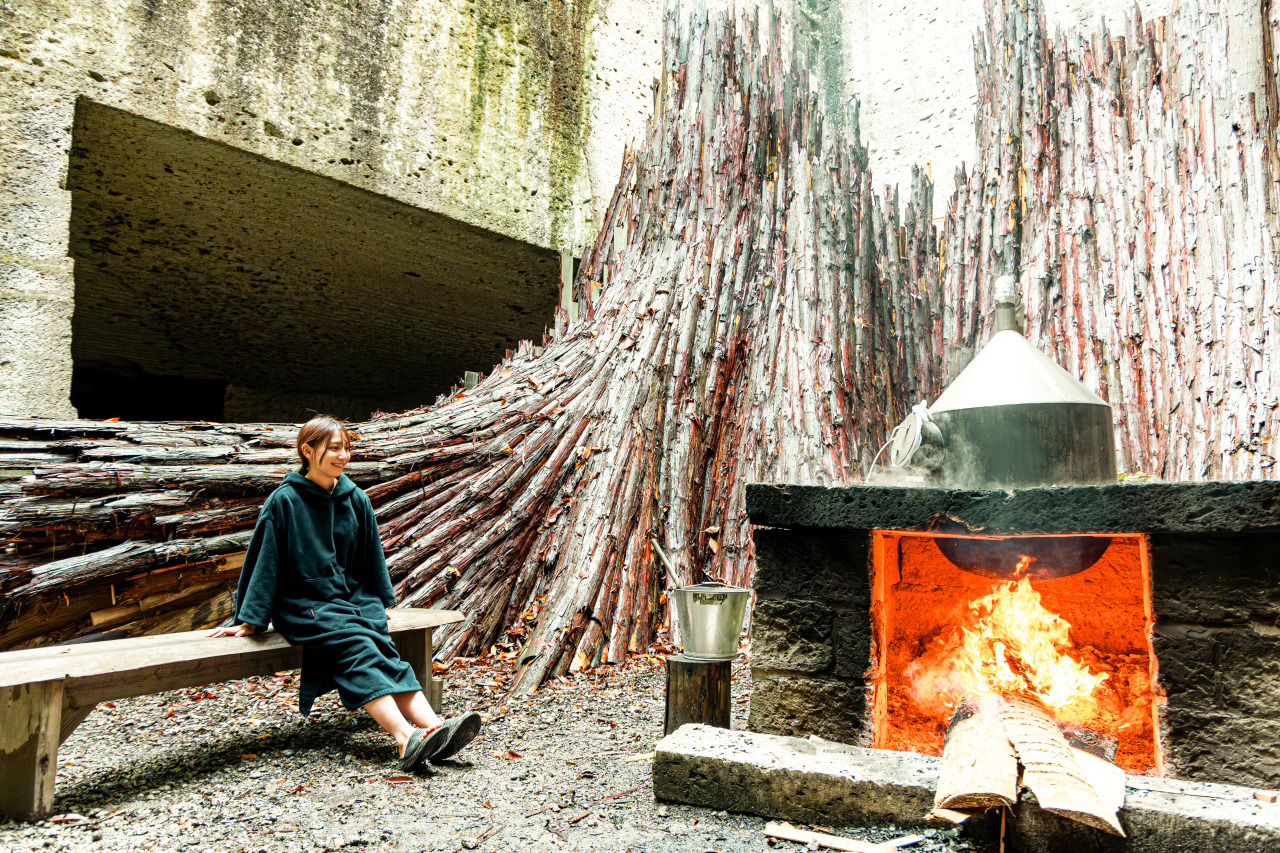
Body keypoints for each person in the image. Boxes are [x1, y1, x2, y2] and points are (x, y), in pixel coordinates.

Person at [209, 415, 480, 770]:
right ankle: (404, 739)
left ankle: (435, 729)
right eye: (334, 448)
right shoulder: (284, 502)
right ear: (307, 451)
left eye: (346, 448)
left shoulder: (356, 500)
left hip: (351, 598)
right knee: (357, 648)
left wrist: (380, 600)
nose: (343, 456)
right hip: (304, 604)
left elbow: (371, 556)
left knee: (383, 649)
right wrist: (251, 618)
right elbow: (265, 561)